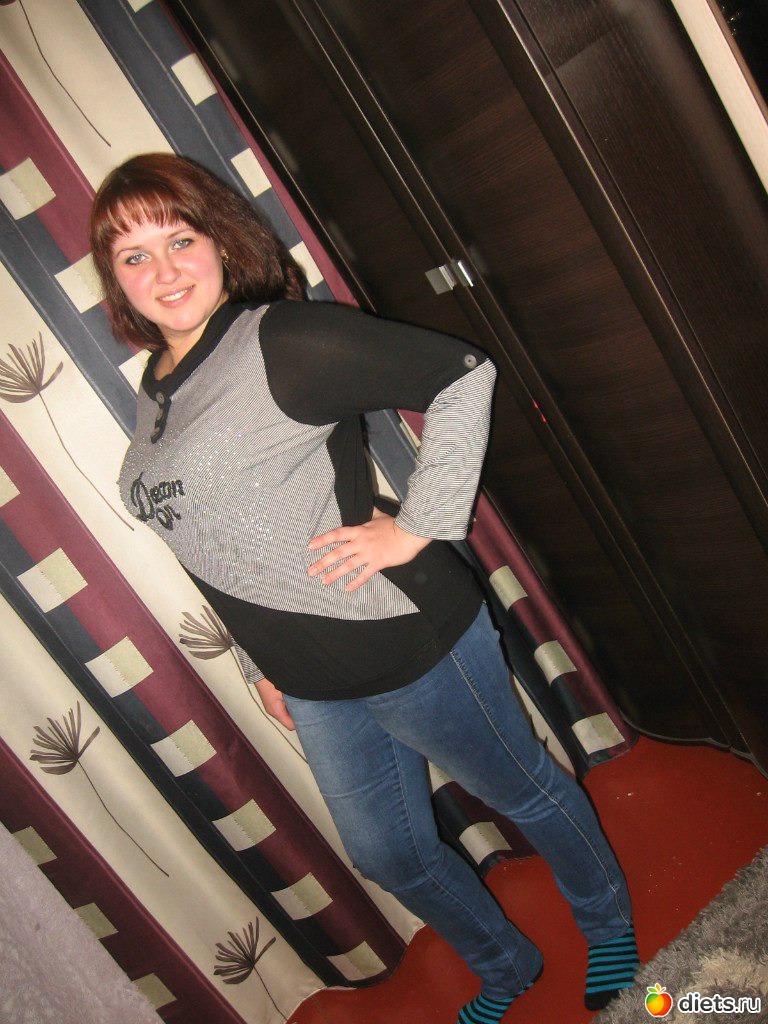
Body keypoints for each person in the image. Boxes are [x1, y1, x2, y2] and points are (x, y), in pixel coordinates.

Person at [90, 153, 639, 1022]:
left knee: (521, 789)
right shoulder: (154, 390)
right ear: (116, 280)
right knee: (389, 855)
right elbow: (212, 539)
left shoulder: (279, 340)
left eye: (180, 239)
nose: (164, 270)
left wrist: (417, 525)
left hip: (405, 638)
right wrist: (262, 664)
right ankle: (507, 965)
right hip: (311, 679)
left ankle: (608, 924)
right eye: (134, 255)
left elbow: (462, 374)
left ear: (221, 243)